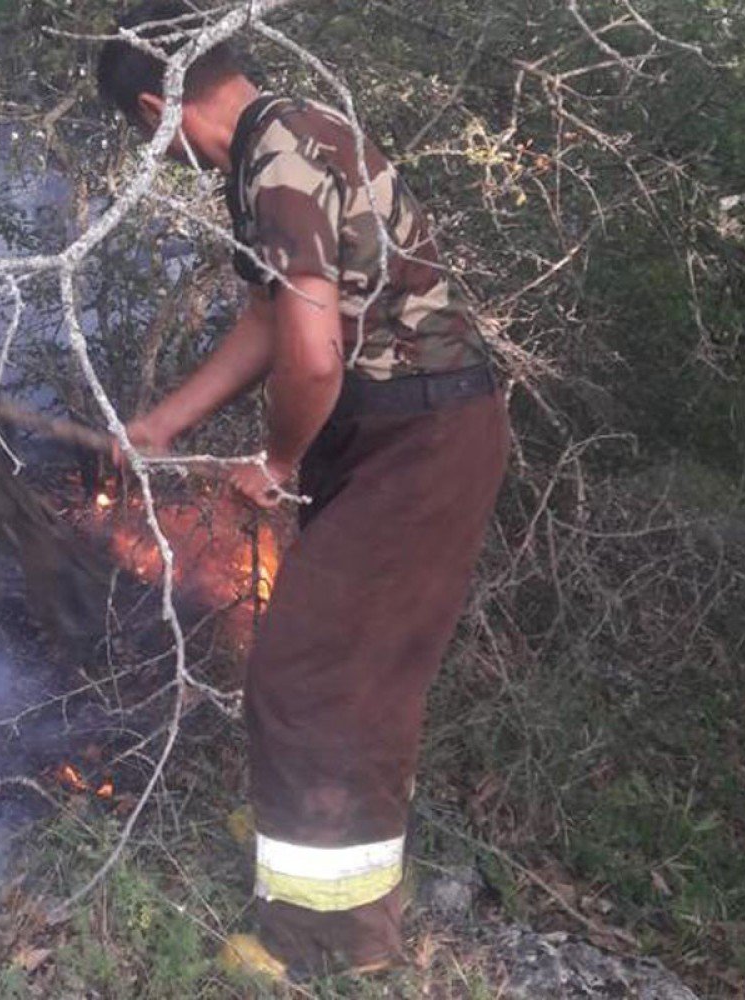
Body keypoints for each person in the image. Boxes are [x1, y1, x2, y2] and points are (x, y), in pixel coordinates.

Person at [95, 0, 511, 981]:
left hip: (422, 438)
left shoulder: (272, 167)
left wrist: (275, 467)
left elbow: (313, 355)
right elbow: (267, 319)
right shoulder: (285, 135)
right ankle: (306, 819)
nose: (162, 155)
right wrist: (166, 420)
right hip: (398, 432)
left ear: (159, 105)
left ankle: (325, 938)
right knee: (328, 663)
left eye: (148, 136)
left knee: (318, 674)